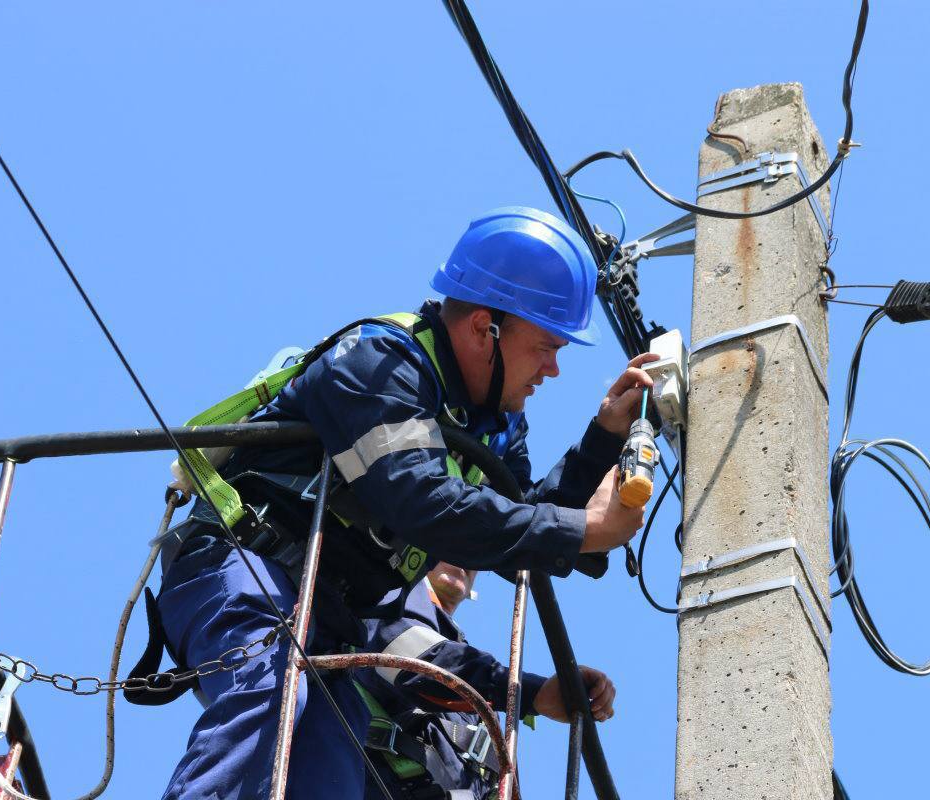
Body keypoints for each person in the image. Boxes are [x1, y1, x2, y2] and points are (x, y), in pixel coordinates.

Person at [154, 206, 655, 799]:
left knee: (330, 765)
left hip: (329, 619)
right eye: (546, 346)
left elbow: (513, 530)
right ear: (484, 329)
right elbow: (422, 501)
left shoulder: (493, 428)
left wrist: (603, 440)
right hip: (245, 565)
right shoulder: (378, 364)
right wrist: (585, 529)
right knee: (270, 693)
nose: (553, 368)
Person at [358, 562, 616, 799]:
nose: (463, 559)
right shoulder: (387, 593)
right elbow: (414, 660)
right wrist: (531, 693)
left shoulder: (471, 677)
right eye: (450, 540)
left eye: (472, 552)